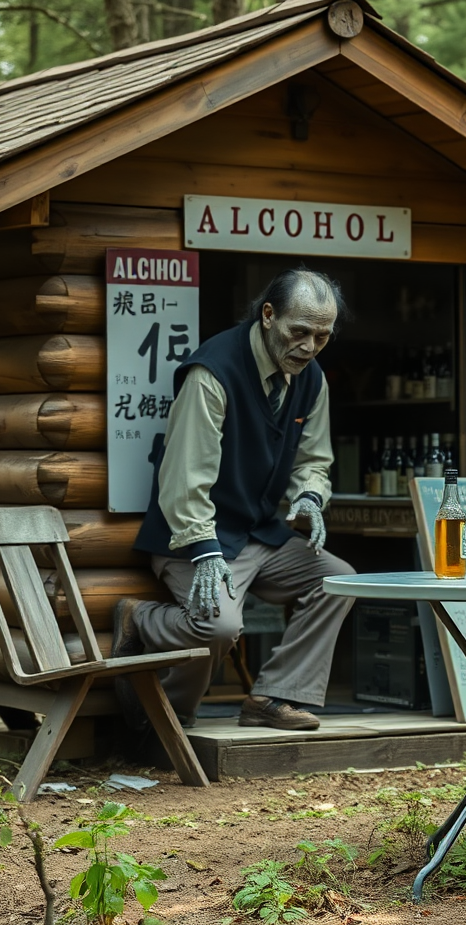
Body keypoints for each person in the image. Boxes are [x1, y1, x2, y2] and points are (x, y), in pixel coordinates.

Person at [123, 267, 355, 733]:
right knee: (219, 627)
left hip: (258, 535)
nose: (309, 347)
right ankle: (149, 659)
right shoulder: (212, 373)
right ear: (268, 315)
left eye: (322, 336)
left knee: (339, 580)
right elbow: (185, 477)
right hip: (196, 537)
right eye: (300, 332)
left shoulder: (312, 379)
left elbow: (313, 458)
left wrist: (310, 496)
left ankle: (274, 696)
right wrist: (204, 550)